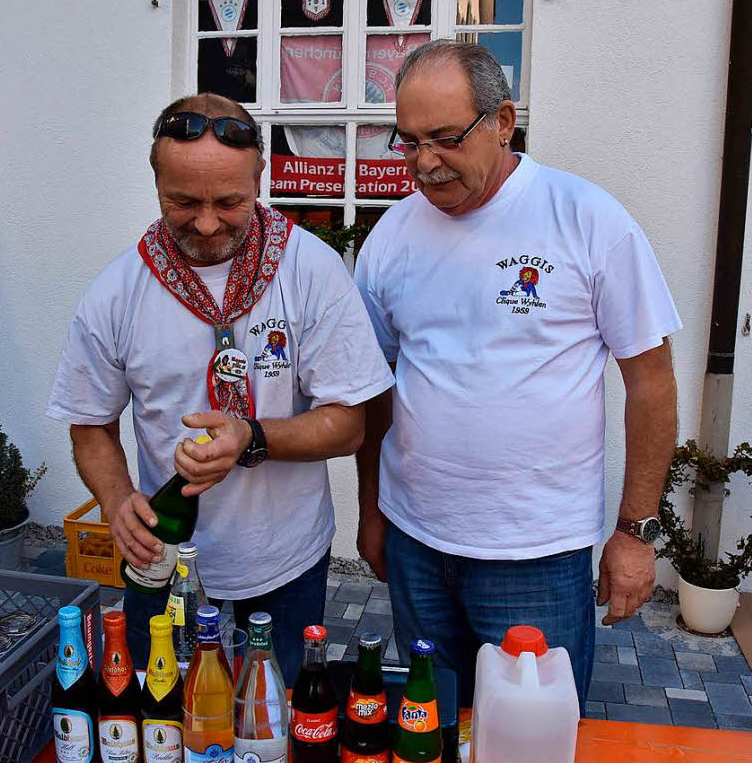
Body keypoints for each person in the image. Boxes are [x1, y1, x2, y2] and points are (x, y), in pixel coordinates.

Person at [353, 40, 681, 711]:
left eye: (445, 139)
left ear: (502, 122)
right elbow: (375, 390)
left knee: (530, 734)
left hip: (537, 552)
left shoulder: (586, 219)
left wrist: (636, 532)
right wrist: (372, 511)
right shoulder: (390, 236)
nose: (424, 163)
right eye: (408, 141)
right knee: (432, 726)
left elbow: (652, 383)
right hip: (417, 542)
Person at [48, 93, 394, 683]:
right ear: (155, 182)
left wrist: (251, 437)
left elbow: (349, 423)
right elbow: (90, 422)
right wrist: (116, 502)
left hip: (286, 557)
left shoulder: (310, 270)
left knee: (274, 720)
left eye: (230, 201)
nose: (206, 223)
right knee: (169, 721)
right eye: (182, 201)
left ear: (260, 177)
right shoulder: (116, 292)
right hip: (161, 562)